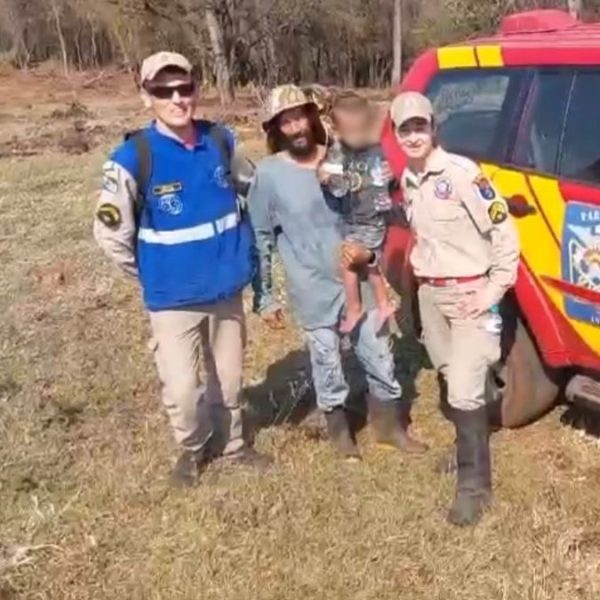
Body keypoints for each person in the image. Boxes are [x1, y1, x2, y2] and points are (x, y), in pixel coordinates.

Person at [93, 51, 271, 488]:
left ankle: (232, 448)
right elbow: (110, 234)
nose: (177, 98)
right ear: (145, 96)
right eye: (163, 90)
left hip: (225, 293)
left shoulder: (222, 140)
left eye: (184, 88)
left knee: (228, 384)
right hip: (172, 300)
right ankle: (192, 450)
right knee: (183, 391)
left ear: (197, 89)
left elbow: (256, 189)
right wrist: (153, 275)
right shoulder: (132, 157)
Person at [247, 84, 428, 461]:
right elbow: (261, 238)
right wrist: (265, 296)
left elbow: (375, 211)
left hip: (359, 281)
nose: (296, 127)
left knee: (380, 354)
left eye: (300, 117)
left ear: (313, 119)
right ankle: (339, 430)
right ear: (275, 128)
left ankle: (389, 427)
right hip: (311, 288)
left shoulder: (344, 159)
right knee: (327, 362)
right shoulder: (268, 176)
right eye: (286, 121)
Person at [390, 91, 520, 526]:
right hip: (432, 296)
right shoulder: (409, 179)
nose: (413, 136)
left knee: (464, 387)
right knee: (450, 374)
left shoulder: (463, 174)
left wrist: (492, 290)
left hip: (470, 295)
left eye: (419, 126)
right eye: (404, 129)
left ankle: (474, 486)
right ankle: (472, 441)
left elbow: (504, 232)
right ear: (396, 133)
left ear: (433, 127)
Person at [318, 90, 396, 334]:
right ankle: (383, 304)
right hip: (355, 217)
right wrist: (325, 176)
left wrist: (390, 174)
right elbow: (327, 174)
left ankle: (354, 308)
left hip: (370, 217)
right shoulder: (340, 151)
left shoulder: (376, 150)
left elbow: (388, 174)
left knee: (348, 263)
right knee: (370, 262)